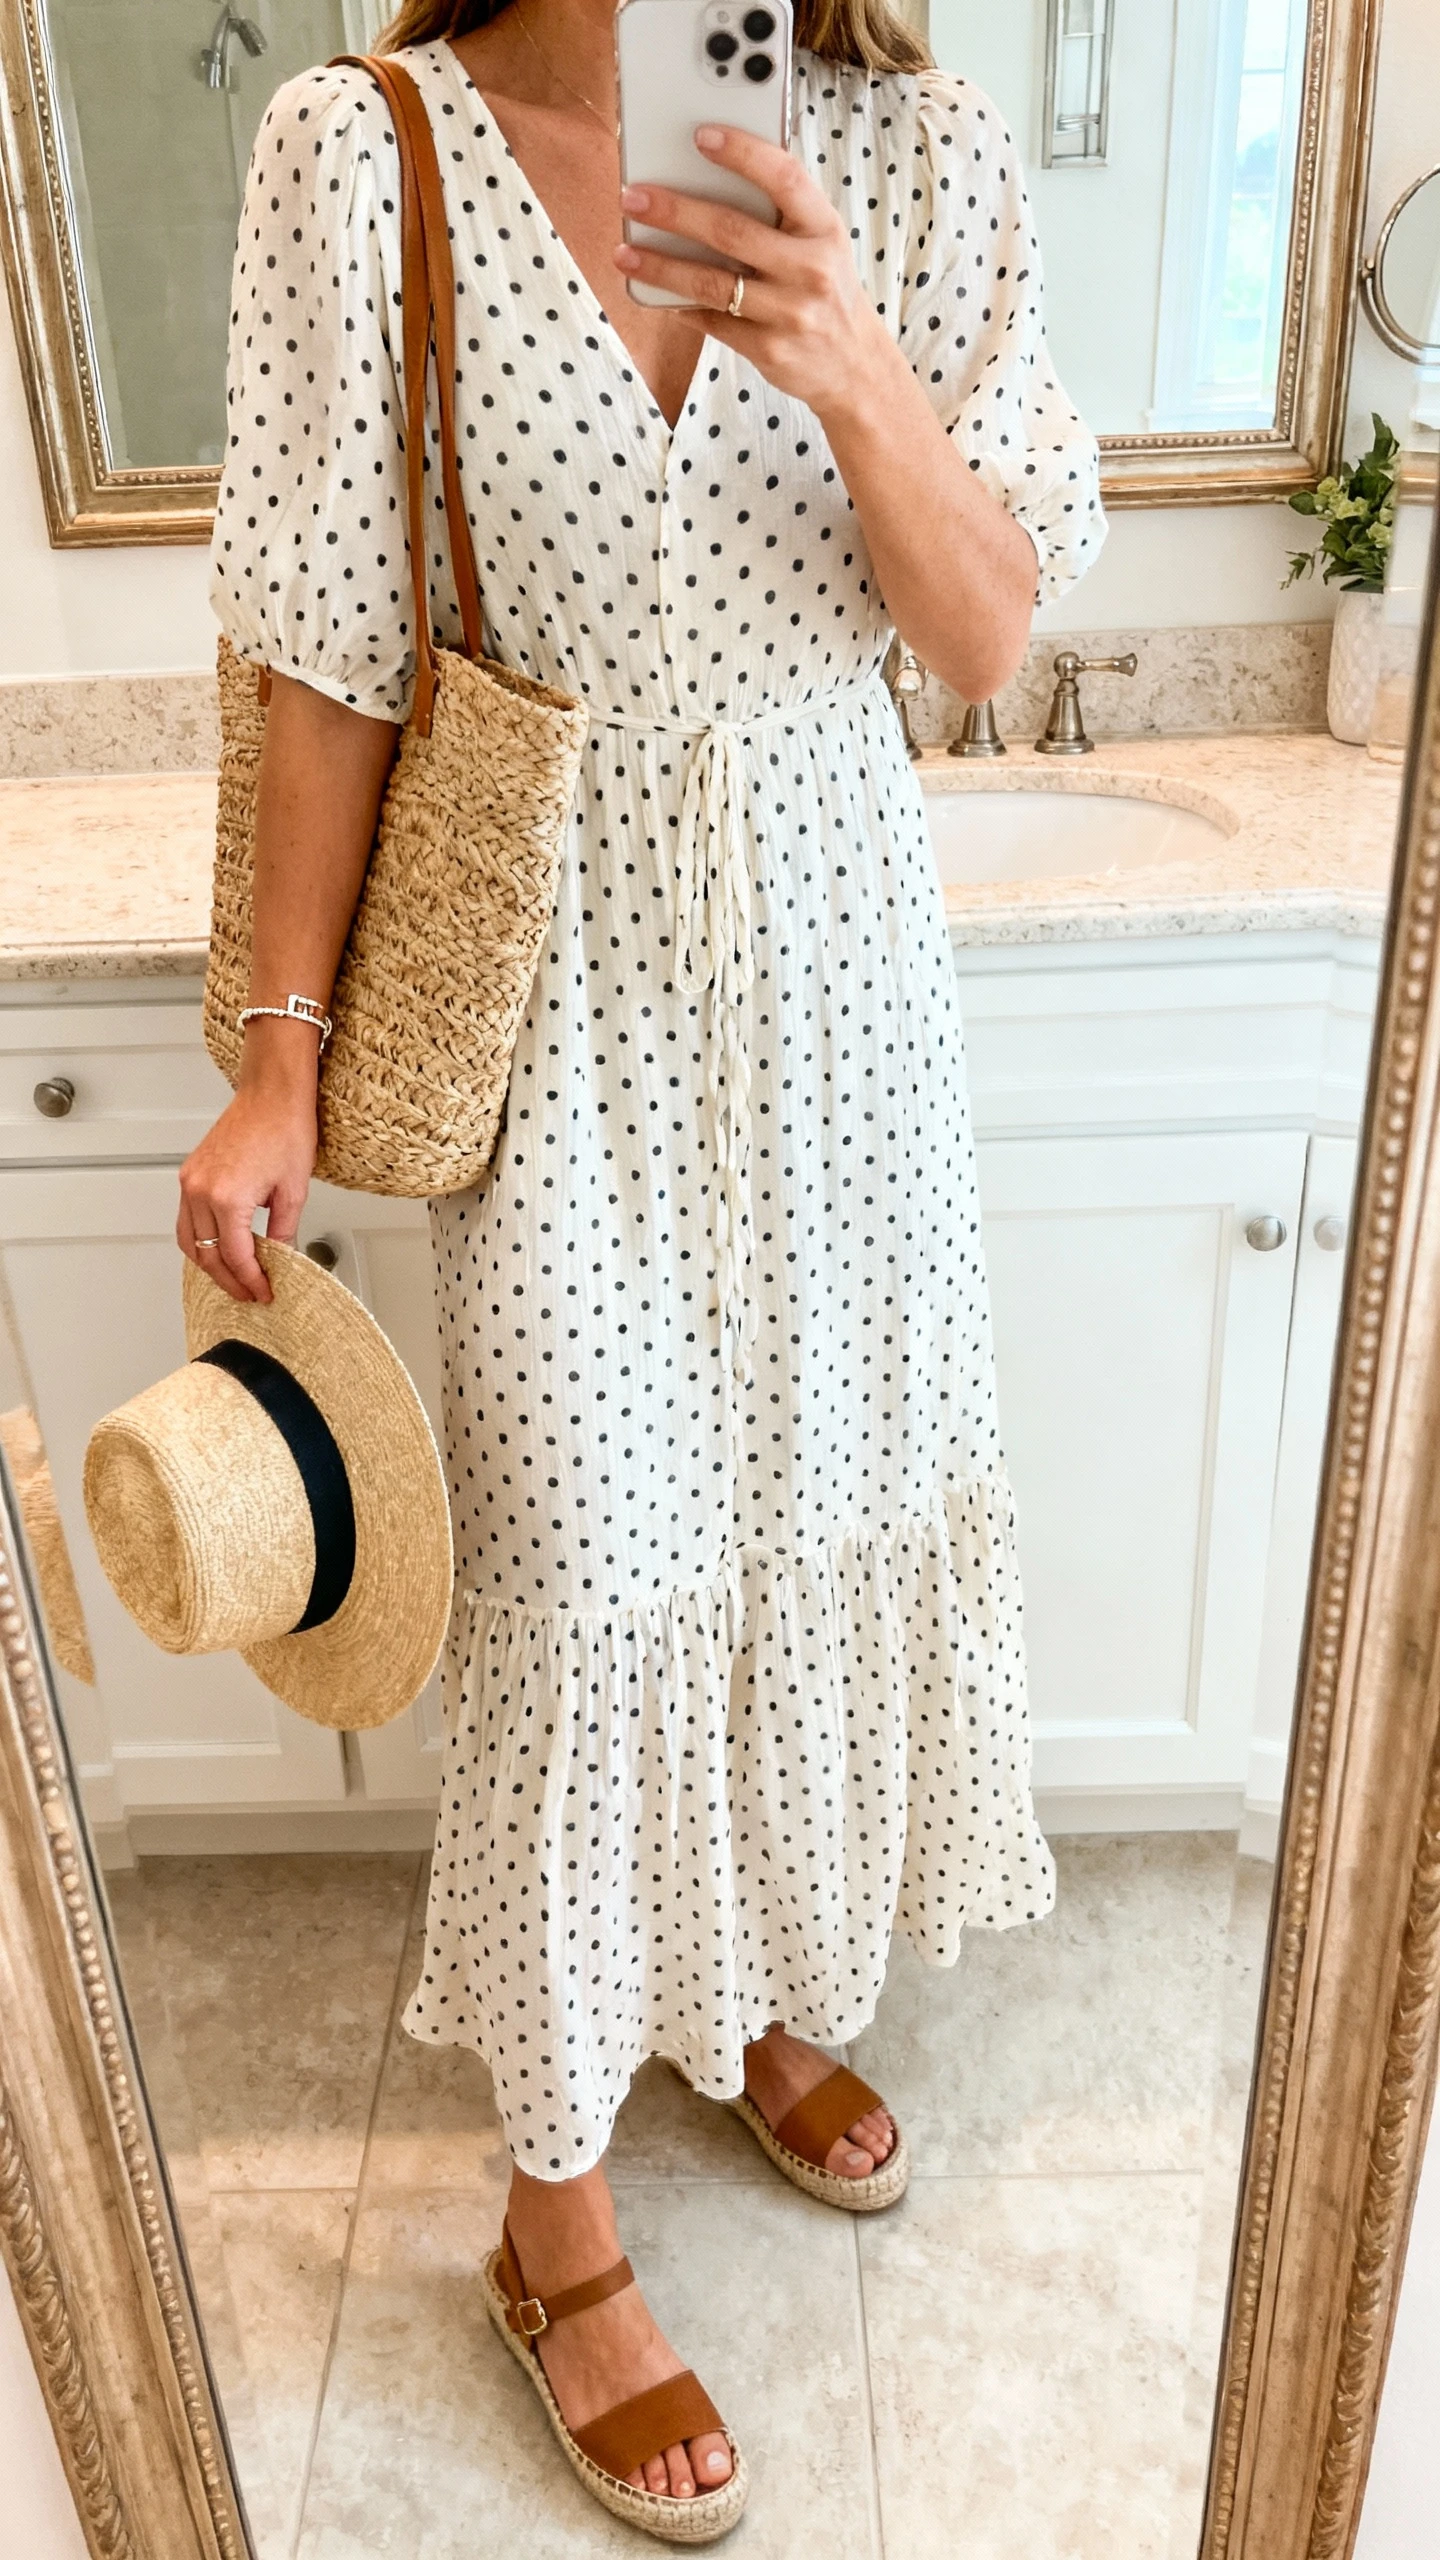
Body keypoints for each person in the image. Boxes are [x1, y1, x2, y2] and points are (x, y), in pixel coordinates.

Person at [184, 0, 1103, 2533]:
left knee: (830, 1515)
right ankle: (554, 2220)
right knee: (593, 1587)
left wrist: (855, 373)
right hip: (562, 987)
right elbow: (326, 639)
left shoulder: (907, 150)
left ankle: (762, 2000)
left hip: (841, 979)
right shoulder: (358, 155)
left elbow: (991, 629)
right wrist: (278, 1048)